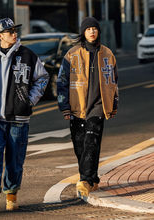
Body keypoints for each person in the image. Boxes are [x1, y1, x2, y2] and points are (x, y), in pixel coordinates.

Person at [0, 18, 49, 213]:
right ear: (0, 36)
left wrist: (29, 101)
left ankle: (11, 196)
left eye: (15, 30)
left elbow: (42, 78)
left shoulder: (28, 56)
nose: (14, 34)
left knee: (15, 160)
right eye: (9, 31)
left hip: (18, 120)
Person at [57, 17, 118, 200]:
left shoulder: (107, 54)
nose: (92, 31)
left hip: (98, 107)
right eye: (88, 29)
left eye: (95, 28)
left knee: (91, 143)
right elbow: (61, 82)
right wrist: (64, 106)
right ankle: (92, 179)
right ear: (83, 32)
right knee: (80, 147)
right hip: (77, 108)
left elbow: (114, 82)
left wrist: (113, 104)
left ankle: (84, 181)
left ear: (98, 31)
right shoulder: (72, 54)